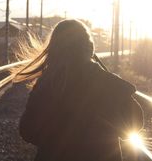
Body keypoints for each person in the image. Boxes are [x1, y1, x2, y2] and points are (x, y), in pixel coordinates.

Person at [13, 19, 143, 161]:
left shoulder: (47, 83)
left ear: (54, 49)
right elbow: (135, 123)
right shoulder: (107, 83)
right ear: (90, 48)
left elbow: (27, 130)